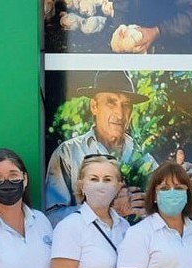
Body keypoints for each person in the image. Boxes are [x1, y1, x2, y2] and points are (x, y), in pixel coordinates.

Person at [45, 70, 158, 226]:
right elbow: (52, 217)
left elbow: (161, 213)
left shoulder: (143, 158)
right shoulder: (69, 153)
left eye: (126, 105)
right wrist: (108, 210)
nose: (119, 113)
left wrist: (182, 182)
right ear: (94, 106)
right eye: (111, 102)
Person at [111, 0, 192, 54]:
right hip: (136, 39)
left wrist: (157, 31)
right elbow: (121, 8)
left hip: (173, 45)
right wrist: (121, 30)